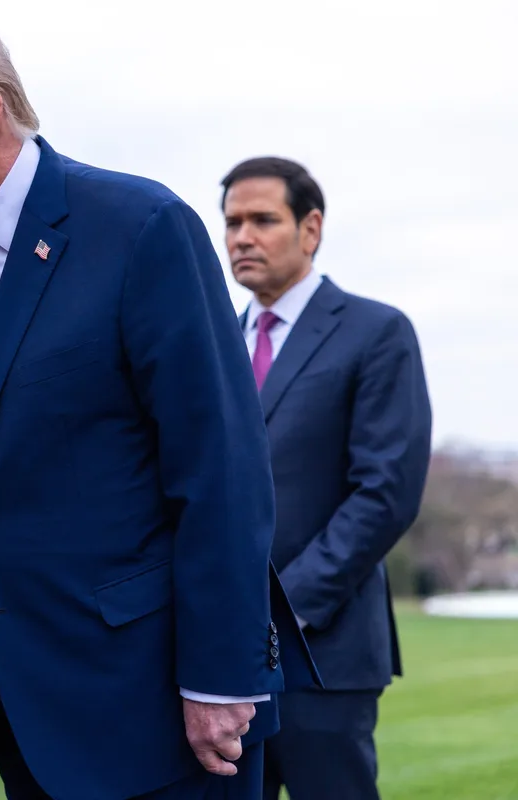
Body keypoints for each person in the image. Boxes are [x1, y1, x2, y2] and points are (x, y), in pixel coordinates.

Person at [0, 19, 319, 799]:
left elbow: (221, 470)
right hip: (19, 712)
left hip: (164, 710)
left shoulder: (139, 228)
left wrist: (220, 676)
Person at [220, 156, 432, 799]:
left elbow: (386, 494)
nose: (241, 237)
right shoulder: (213, 343)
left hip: (324, 654)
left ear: (311, 228)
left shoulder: (376, 332)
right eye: (231, 223)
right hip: (218, 660)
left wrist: (282, 611)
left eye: (263, 220)